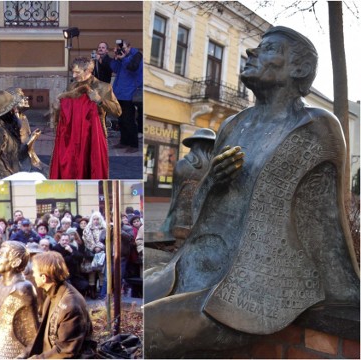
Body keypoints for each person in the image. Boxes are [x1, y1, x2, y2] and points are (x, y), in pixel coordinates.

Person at [144, 27, 360, 356]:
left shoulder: (316, 127)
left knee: (146, 331)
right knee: (129, 311)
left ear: (298, 70)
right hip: (199, 266)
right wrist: (213, 180)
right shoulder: (234, 125)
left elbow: (327, 224)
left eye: (269, 49)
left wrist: (346, 292)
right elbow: (202, 212)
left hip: (258, 288)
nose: (250, 53)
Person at [50, 57, 121, 179]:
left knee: (93, 169)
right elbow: (66, 110)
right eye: (73, 71)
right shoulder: (71, 87)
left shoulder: (103, 87)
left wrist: (100, 100)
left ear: (88, 71)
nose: (74, 75)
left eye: (77, 72)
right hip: (72, 136)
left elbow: (117, 111)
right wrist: (57, 107)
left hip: (94, 136)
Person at [29, 251, 92, 358]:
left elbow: (65, 351)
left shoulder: (70, 306)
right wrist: (24, 354)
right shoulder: (53, 292)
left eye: (34, 272)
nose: (33, 275)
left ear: (44, 278)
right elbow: (42, 335)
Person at [160, 128, 216, 238]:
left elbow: (175, 195)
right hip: (204, 221)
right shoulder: (212, 166)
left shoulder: (182, 164)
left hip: (180, 219)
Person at [0, 90, 41, 179]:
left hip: (11, 176)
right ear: (6, 112)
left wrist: (31, 139)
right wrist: (11, 178)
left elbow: (16, 154)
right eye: (13, 107)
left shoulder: (9, 127)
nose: (15, 109)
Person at [110, 39, 142, 153]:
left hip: (129, 93)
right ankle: (124, 141)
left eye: (123, 48)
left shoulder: (136, 56)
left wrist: (124, 58)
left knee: (129, 120)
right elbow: (114, 69)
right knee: (121, 120)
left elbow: (134, 69)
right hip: (119, 92)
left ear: (129, 47)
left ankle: (133, 145)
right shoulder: (123, 56)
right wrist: (115, 58)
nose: (122, 51)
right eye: (120, 49)